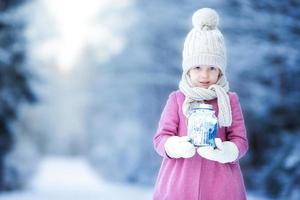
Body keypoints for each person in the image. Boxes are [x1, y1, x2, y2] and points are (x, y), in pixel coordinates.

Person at [153, 8, 248, 200]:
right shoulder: (177, 99)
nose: (204, 75)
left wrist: (227, 151)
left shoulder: (229, 100)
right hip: (179, 185)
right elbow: (160, 138)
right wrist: (174, 146)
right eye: (197, 67)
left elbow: (241, 141)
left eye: (212, 68)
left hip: (221, 187)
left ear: (220, 72)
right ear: (187, 70)